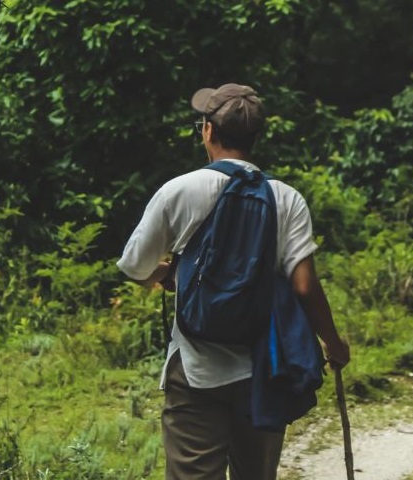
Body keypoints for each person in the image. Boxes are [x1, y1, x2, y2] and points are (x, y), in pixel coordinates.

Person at [116, 83, 350, 480]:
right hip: (263, 369)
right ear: (256, 137)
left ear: (208, 131)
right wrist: (333, 342)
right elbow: (305, 286)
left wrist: (170, 275)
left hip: (193, 366)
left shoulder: (179, 190)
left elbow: (133, 266)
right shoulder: (286, 198)